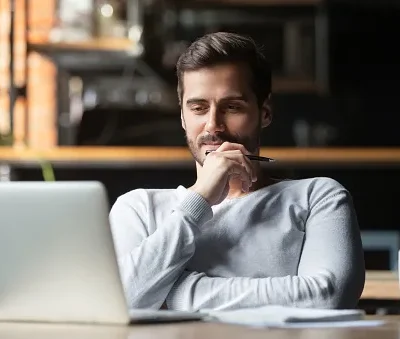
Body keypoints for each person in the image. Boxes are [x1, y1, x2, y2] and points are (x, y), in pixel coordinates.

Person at [109, 32, 365, 311]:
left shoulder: (318, 197)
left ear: (265, 112)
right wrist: (199, 200)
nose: (212, 125)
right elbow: (118, 303)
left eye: (232, 107)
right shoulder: (138, 208)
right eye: (198, 108)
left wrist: (174, 293)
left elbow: (328, 297)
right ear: (182, 116)